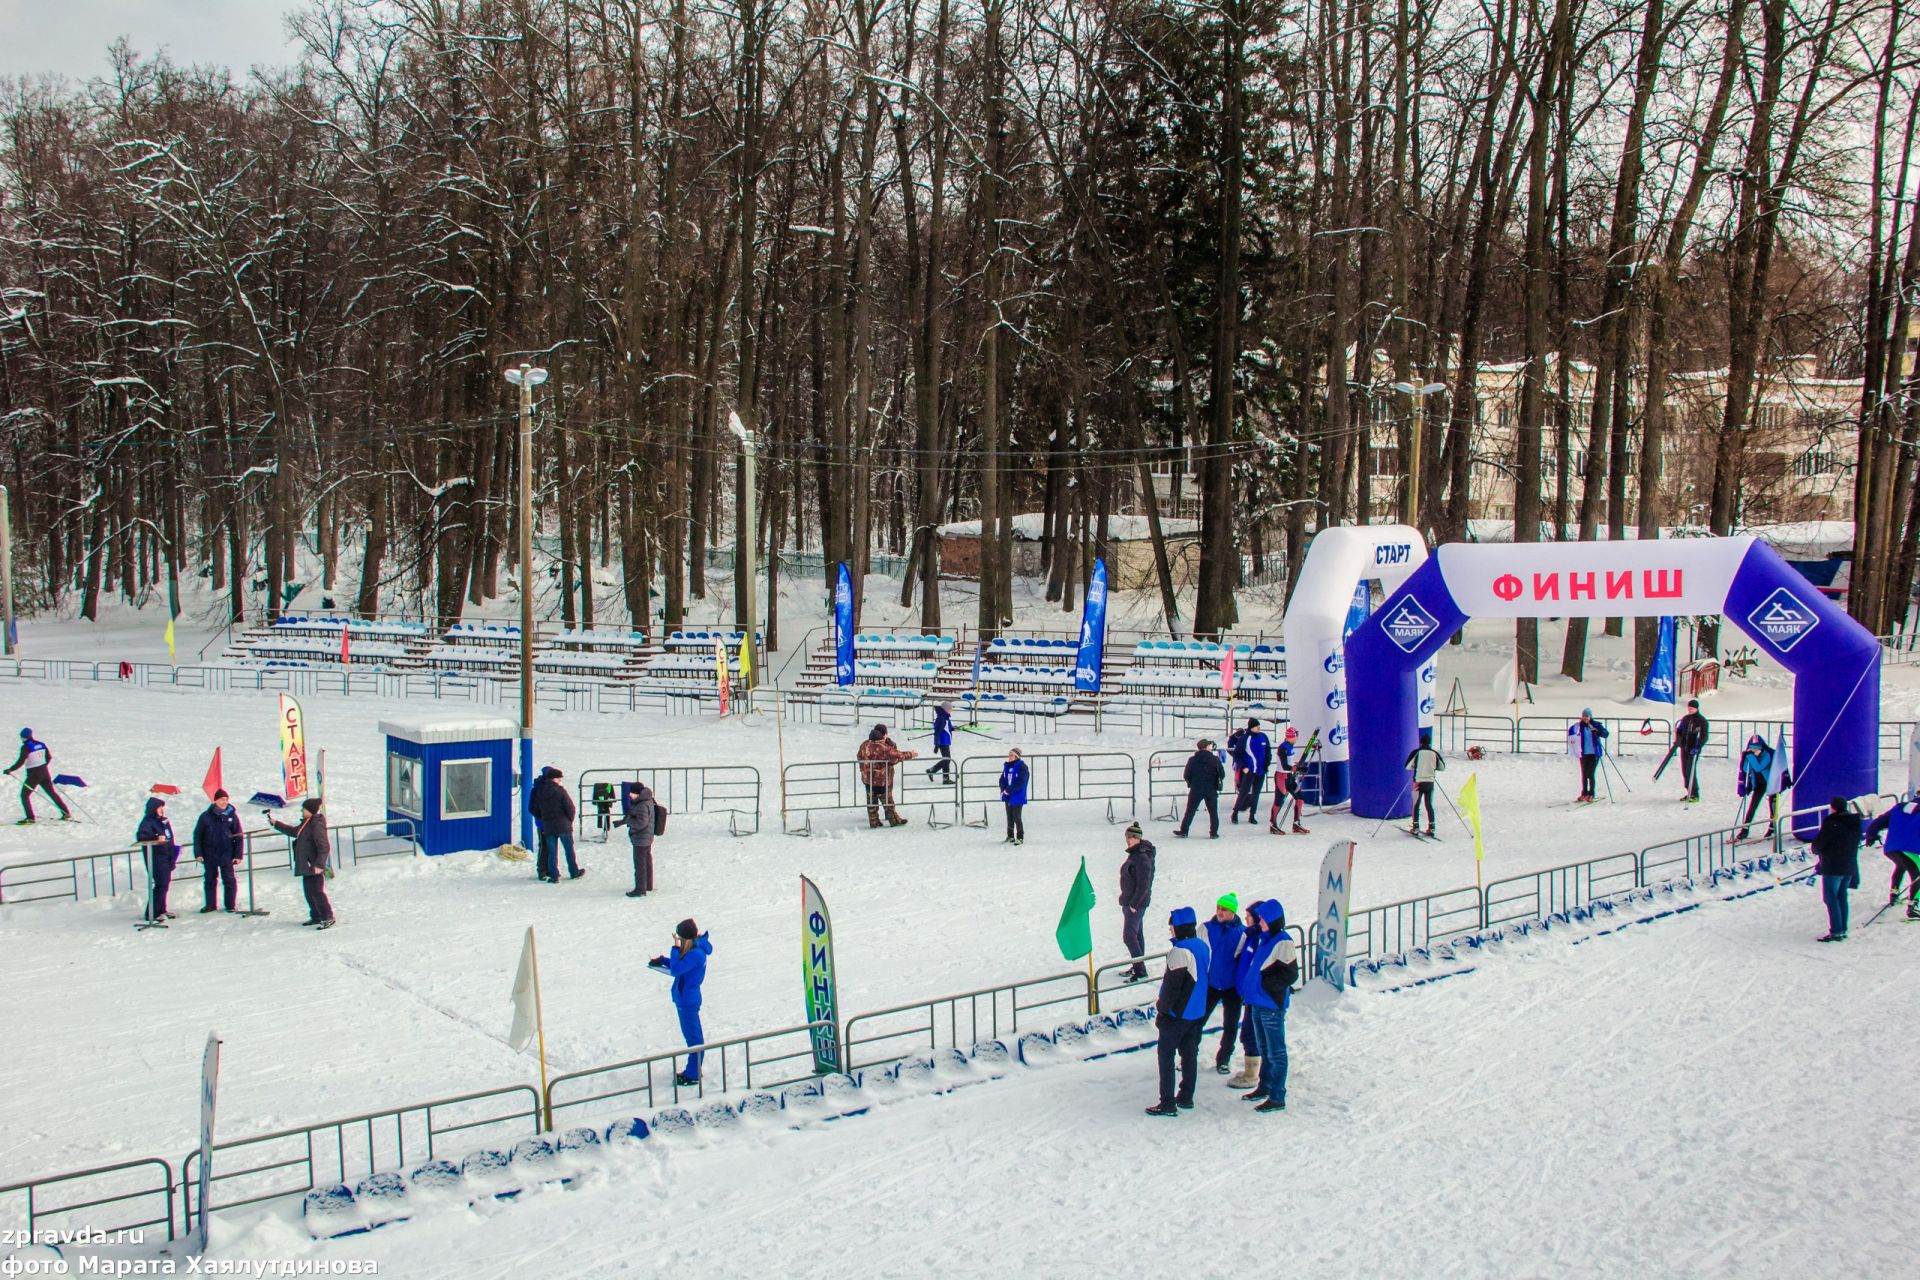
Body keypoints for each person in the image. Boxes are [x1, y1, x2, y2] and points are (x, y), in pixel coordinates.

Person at [1233, 898, 1299, 1113]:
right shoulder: (1265, 938)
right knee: (1264, 1049)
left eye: (1262, 919)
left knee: (1276, 1052)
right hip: (1257, 1002)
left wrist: (1263, 985)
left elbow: (1290, 975)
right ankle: (1265, 1086)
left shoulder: (1283, 942)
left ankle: (1277, 1095)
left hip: (1270, 1005)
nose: (1259, 922)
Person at [1145, 906, 1211, 1117]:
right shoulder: (1202, 946)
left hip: (1178, 1015)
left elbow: (1173, 987)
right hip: (1197, 1012)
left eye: (1172, 925)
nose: (1170, 930)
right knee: (1190, 1054)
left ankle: (1167, 1102)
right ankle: (1186, 1096)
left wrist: (1162, 1011)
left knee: (1166, 1056)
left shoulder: (1179, 952)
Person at [649, 918, 711, 1085]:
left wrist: (675, 948)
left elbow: (677, 969)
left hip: (688, 1001)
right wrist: (663, 960)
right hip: (686, 998)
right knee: (691, 1038)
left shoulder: (696, 954)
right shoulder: (695, 950)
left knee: (694, 1040)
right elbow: (681, 966)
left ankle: (693, 1075)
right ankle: (693, 1070)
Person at [272, 797, 334, 928]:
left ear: (310, 810)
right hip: (306, 864)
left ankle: (327, 916)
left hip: (313, 865)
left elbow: (324, 846)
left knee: (317, 892)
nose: (301, 810)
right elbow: (294, 832)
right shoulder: (307, 823)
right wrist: (276, 823)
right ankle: (316, 916)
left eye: (304, 809)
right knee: (309, 892)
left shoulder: (316, 824)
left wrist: (319, 865)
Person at [1201, 894, 1245, 1076]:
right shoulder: (1205, 928)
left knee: (1231, 1025)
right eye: (1218, 907)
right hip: (1211, 984)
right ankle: (1188, 1055)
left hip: (1232, 987)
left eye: (1224, 909)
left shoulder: (1243, 933)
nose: (1219, 912)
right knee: (1197, 1021)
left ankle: (1224, 1059)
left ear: (1232, 911)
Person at [1809, 796, 1863, 942]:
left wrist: (1816, 850)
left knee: (1831, 898)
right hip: (1849, 865)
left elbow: (1818, 844)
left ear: (1833, 808)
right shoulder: (1854, 823)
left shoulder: (1831, 824)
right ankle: (1842, 928)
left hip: (1832, 866)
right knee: (1841, 896)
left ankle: (1836, 931)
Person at [1224, 902, 1265, 1088]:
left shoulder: (1258, 939)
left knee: (1251, 1034)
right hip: (1248, 995)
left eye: (1249, 915)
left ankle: (1252, 1075)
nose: (1245, 918)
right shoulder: (1251, 936)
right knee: (1248, 1033)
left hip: (1255, 996)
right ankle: (1252, 1070)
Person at [1865, 793, 1920, 921]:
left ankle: (1894, 893)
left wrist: (1871, 835)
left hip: (1891, 847)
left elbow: (1879, 821)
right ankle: (1914, 905)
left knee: (1901, 866)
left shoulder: (1899, 807)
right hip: (1909, 849)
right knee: (1917, 874)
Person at [193, 789, 245, 913]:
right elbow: (197, 835)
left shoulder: (232, 816)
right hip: (209, 853)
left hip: (227, 853)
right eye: (222, 799)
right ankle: (210, 904)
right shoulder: (205, 816)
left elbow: (239, 836)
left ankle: (230, 905)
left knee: (229, 879)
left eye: (226, 799)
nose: (224, 802)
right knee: (210, 879)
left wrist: (238, 855)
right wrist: (198, 853)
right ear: (215, 800)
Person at [529, 766, 584, 883]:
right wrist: (569, 821)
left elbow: (535, 809)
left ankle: (554, 875)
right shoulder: (560, 791)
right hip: (563, 824)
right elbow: (570, 808)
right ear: (553, 778)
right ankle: (574, 872)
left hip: (548, 826)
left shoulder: (539, 791)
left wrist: (543, 819)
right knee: (569, 850)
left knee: (551, 852)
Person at [6, 727, 71, 824]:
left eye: (22, 737)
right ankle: (66, 813)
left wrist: (10, 769)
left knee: (24, 795)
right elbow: (48, 757)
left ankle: (30, 818)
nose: (21, 739)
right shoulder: (41, 744)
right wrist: (42, 766)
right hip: (44, 772)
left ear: (25, 737)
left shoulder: (26, 747)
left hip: (33, 776)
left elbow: (21, 762)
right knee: (52, 793)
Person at [856, 724, 915, 828]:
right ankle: (894, 820)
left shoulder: (865, 744)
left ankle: (874, 822)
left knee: (871, 802)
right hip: (880, 779)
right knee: (887, 801)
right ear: (883, 735)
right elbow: (895, 756)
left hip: (867, 778)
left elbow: (859, 756)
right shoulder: (882, 747)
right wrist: (911, 754)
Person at [1118, 822, 1156, 981]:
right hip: (1132, 901)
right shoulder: (1136, 853)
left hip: (1135, 904)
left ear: (1136, 838)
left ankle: (1140, 970)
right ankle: (1137, 965)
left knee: (1129, 937)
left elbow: (1144, 884)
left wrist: (1134, 904)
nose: (1127, 840)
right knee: (1137, 935)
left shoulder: (1141, 857)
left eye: (1129, 837)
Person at [136, 796, 179, 922]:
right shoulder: (147, 822)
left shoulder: (164, 821)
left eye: (162, 808)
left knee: (165, 884)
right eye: (159, 808)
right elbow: (141, 836)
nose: (161, 810)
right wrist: (155, 837)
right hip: (156, 857)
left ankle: (161, 909)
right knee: (161, 884)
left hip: (167, 855)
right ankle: (152, 912)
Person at [1174, 739, 1225, 839]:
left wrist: (1192, 783)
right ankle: (1213, 832)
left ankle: (1184, 831)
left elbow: (1186, 775)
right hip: (1211, 789)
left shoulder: (1192, 760)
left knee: (1190, 811)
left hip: (1196, 788)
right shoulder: (1215, 759)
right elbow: (1222, 774)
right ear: (1206, 747)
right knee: (1213, 812)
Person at [616, 779, 658, 899]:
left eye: (632, 793)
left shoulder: (642, 805)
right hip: (647, 837)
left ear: (638, 793)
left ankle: (640, 889)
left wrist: (628, 821)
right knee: (646, 861)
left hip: (641, 838)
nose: (629, 795)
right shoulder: (647, 800)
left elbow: (641, 823)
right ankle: (647, 885)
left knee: (640, 864)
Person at [1734, 734, 1778, 841]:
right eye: (1752, 748)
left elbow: (1759, 768)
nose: (1754, 751)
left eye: (1756, 748)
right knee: (1752, 806)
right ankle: (1744, 830)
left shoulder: (1766, 755)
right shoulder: (1750, 756)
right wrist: (1747, 758)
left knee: (1772, 807)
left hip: (1770, 784)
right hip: (1758, 785)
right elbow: (1745, 768)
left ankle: (1772, 828)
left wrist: (1750, 757)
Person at [1230, 719, 1271, 826]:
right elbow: (1237, 754)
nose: (1258, 728)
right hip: (1249, 770)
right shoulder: (1245, 738)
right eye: (1256, 726)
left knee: (1256, 794)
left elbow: (1268, 752)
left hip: (1260, 771)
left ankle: (1252, 815)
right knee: (1244, 792)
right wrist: (1243, 766)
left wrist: (1266, 765)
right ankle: (1235, 813)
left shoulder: (1263, 737)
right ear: (1251, 727)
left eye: (1259, 726)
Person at [1402, 729, 1444, 836]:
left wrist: (1414, 766)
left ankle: (1416, 827)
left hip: (1418, 781)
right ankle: (1432, 826)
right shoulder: (1434, 753)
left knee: (1416, 804)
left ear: (1420, 742)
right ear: (1429, 742)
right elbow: (1442, 767)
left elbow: (1407, 766)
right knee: (1429, 804)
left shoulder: (1416, 752)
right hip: (1430, 781)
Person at [1269, 727, 1309, 834]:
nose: (1297, 738)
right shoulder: (1283, 748)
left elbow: (1290, 764)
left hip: (1289, 777)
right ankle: (1273, 824)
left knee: (1300, 798)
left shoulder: (1290, 746)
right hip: (1281, 777)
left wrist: (1297, 767)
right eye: (1296, 736)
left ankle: (1296, 823)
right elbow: (1284, 765)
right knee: (1278, 801)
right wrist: (1298, 768)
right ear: (1292, 736)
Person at [1567, 709, 1609, 803]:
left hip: (1594, 753)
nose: (1585, 718)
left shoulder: (1596, 725)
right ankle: (1584, 793)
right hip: (1583, 753)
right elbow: (1570, 731)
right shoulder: (1579, 726)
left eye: (1587, 716)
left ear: (1590, 716)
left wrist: (1597, 732)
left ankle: (1591, 793)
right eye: (1584, 716)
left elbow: (1606, 734)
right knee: (1584, 774)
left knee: (1590, 773)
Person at [1673, 699, 1709, 803]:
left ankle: (1695, 793)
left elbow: (1704, 736)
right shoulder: (1685, 719)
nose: (1689, 710)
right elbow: (1680, 731)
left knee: (1690, 770)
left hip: (1694, 749)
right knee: (1684, 771)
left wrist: (1698, 746)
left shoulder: (1702, 721)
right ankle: (1688, 791)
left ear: (1696, 708)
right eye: (1688, 708)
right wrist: (1678, 739)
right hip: (1685, 748)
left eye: (1691, 708)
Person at [999, 748, 1030, 845]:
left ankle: (1020, 837)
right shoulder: (1007, 766)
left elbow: (1021, 782)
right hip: (1008, 795)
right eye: (1009, 755)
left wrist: (1010, 790)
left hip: (1017, 795)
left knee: (1017, 817)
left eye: (1011, 755)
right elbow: (1002, 778)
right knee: (1009, 816)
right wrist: (1004, 788)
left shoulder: (1022, 767)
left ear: (1016, 756)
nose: (1009, 757)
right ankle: (1010, 836)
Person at [926, 703, 956, 784]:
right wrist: (936, 744)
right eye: (950, 709)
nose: (951, 711)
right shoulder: (941, 718)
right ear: (946, 709)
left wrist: (952, 728)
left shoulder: (945, 717)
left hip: (945, 741)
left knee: (947, 759)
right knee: (947, 759)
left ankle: (932, 770)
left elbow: (946, 727)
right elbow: (937, 732)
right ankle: (945, 779)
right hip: (942, 742)